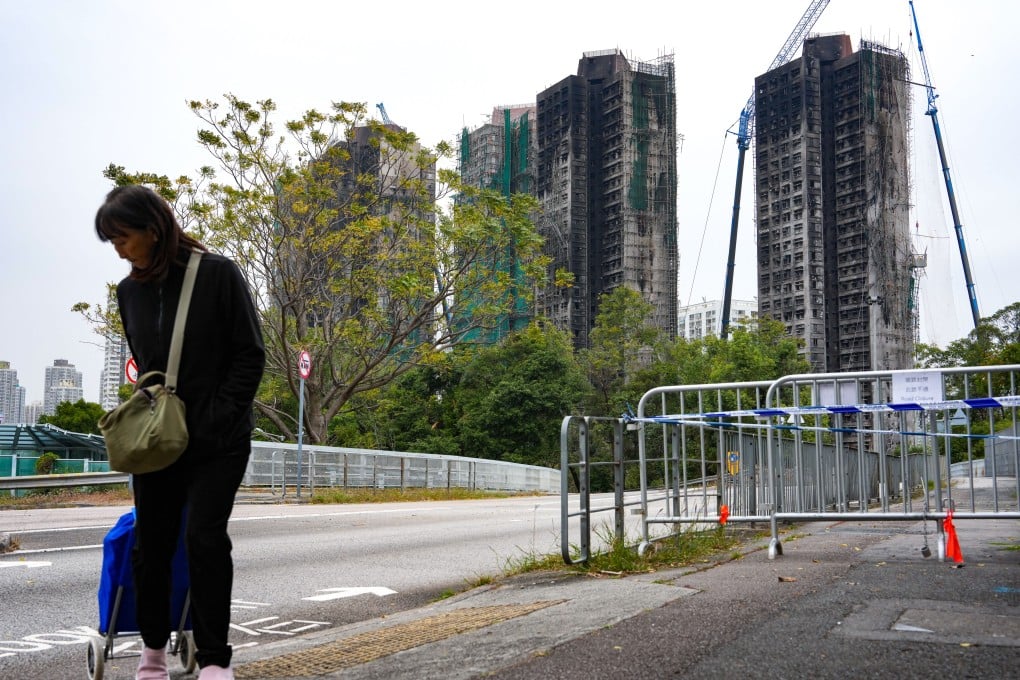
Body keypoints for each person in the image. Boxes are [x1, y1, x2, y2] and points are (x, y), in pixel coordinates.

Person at [95, 185, 265, 680]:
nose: (119, 250)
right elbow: (146, 367)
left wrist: (215, 418)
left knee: (205, 539)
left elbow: (249, 354)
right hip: (158, 440)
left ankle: (214, 659)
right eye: (111, 242)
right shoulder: (128, 292)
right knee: (152, 543)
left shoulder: (218, 273)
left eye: (122, 237)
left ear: (153, 229)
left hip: (219, 440)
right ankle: (152, 653)